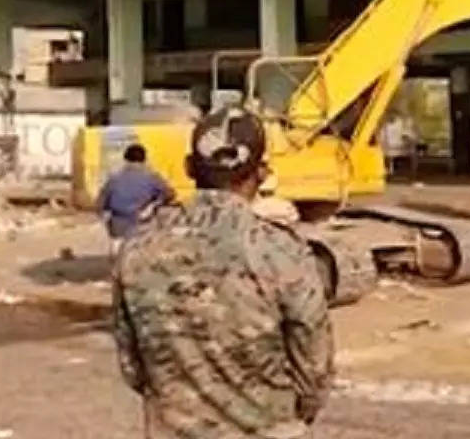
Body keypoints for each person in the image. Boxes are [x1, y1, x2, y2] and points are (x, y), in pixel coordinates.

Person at [112, 107, 334, 439]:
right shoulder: (280, 251)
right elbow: (314, 373)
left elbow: (132, 368)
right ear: (262, 173)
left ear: (189, 167)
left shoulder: (137, 249)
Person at [97, 144, 174, 257]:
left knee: (117, 251)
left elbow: (101, 202)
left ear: (126, 158)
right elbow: (170, 194)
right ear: (144, 159)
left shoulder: (114, 178)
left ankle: (116, 271)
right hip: (143, 221)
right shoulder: (152, 177)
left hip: (118, 223)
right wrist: (154, 205)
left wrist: (105, 218)